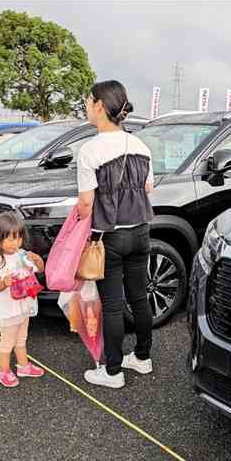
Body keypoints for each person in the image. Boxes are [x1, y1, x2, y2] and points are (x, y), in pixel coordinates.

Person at [76, 80, 154, 389]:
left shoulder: (90, 150)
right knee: (139, 296)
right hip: (142, 232)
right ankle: (143, 358)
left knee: (111, 304)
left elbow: (86, 203)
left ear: (98, 106)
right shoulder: (141, 146)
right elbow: (148, 188)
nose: (86, 107)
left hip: (111, 236)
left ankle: (112, 372)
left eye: (87, 101)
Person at [0, 212, 45, 388]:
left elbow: (39, 270)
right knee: (8, 341)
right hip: (7, 308)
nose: (16, 243)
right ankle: (3, 371)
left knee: (22, 338)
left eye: (18, 238)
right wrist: (4, 282)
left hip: (23, 304)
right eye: (10, 239)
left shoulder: (22, 254)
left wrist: (38, 259)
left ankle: (23, 366)